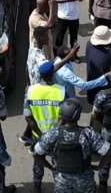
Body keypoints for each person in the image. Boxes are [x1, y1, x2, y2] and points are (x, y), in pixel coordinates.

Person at [33, 99, 111, 193]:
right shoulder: (88, 133)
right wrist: (99, 166)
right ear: (78, 115)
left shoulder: (53, 133)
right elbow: (109, 153)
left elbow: (36, 154)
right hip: (84, 181)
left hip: (62, 181)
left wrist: (51, 167)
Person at [24, 61, 66, 190]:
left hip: (38, 135)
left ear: (41, 75)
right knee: (57, 163)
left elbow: (28, 117)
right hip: (56, 135)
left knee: (38, 162)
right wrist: (51, 135)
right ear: (53, 74)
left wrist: (42, 135)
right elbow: (64, 117)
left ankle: (37, 186)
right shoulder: (61, 91)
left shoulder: (31, 91)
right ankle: (59, 187)